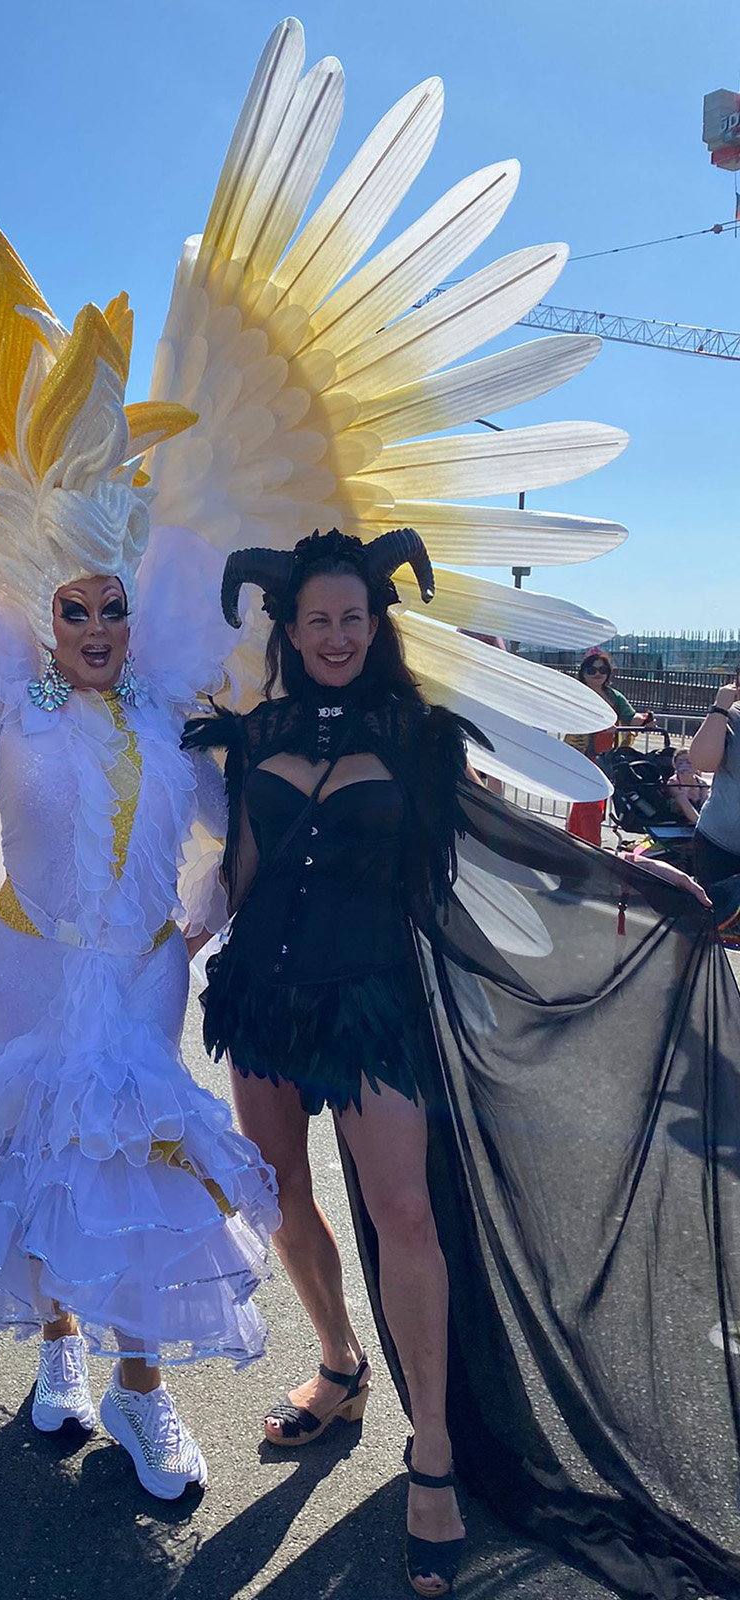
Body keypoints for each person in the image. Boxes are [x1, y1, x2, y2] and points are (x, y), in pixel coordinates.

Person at [186, 529, 740, 1600]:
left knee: (404, 1213)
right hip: (263, 995)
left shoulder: (417, 734)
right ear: (289, 632)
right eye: (318, 621)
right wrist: (156, 949)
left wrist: (627, 875)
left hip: (372, 995)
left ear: (374, 625)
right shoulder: (255, 733)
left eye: (354, 617)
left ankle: (432, 1446)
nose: (337, 635)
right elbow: (240, 868)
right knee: (278, 1192)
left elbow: (497, 841)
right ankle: (340, 1364)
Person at [0, 219, 279, 1504]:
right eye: (76, 609)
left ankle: (144, 1387)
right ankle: (62, 1349)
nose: (100, 628)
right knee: (49, 1152)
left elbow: (236, 808)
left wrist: (214, 901)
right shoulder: (1, 719)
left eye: (113, 606)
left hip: (149, 970)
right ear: (42, 613)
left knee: (137, 1156)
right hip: (25, 964)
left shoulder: (168, 708)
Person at [564, 650, 655, 847]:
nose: (598, 674)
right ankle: (590, 844)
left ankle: (574, 840)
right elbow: (567, 719)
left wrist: (645, 720)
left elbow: (631, 716)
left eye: (602, 669)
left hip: (608, 757)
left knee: (593, 802)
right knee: (590, 803)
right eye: (592, 669)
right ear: (583, 672)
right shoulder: (577, 696)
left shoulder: (614, 696)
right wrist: (597, 725)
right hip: (583, 756)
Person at [687, 671, 740, 889]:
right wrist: (720, 708)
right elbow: (702, 761)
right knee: (715, 919)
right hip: (720, 845)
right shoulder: (734, 715)